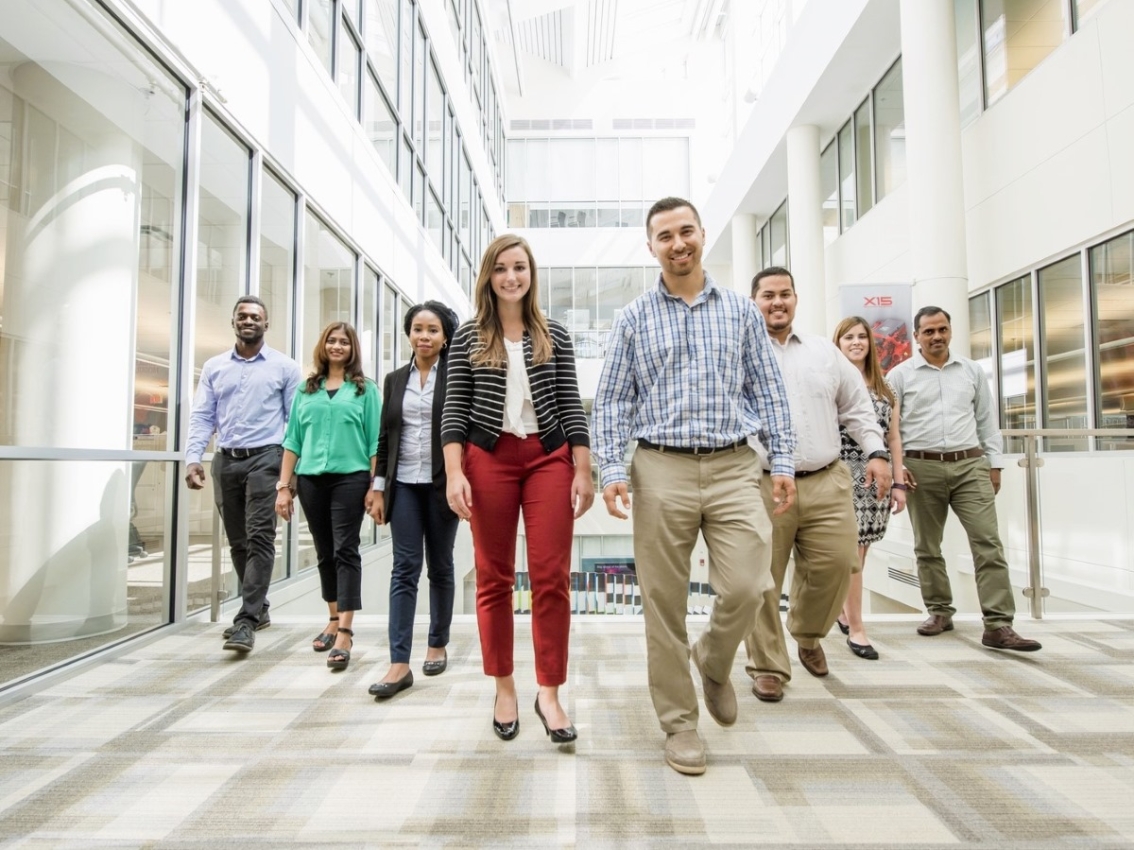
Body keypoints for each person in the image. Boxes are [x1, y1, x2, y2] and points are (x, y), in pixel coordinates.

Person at [592, 197, 797, 776]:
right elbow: (612, 400)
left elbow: (768, 392)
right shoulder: (632, 318)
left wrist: (782, 460)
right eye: (665, 236)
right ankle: (680, 723)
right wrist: (611, 470)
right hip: (660, 469)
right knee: (662, 603)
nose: (678, 243)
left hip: (735, 465)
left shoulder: (741, 312)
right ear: (651, 246)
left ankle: (712, 656)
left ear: (703, 235)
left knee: (751, 584)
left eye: (686, 231)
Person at [441, 234, 594, 745]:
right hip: (488, 459)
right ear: (489, 276)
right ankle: (504, 686)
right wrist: (455, 473)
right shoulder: (466, 337)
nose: (512, 277)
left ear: (531, 275)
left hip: (548, 457)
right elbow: (453, 412)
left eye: (520, 268)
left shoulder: (555, 335)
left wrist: (582, 467)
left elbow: (572, 405)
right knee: (494, 577)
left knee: (552, 576)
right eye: (502, 268)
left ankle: (548, 692)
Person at [745, 268, 891, 702]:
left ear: (796, 299)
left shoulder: (825, 352)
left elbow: (859, 408)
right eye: (768, 295)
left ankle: (807, 634)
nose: (777, 302)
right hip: (763, 482)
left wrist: (877, 453)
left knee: (838, 563)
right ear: (754, 301)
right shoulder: (739, 352)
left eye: (785, 294)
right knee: (761, 579)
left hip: (826, 478)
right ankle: (768, 664)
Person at [887, 306, 1041, 652]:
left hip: (970, 465)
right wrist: (899, 466)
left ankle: (999, 625)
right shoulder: (900, 375)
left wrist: (994, 465)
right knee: (927, 546)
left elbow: (986, 419)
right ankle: (940, 611)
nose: (937, 336)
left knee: (988, 542)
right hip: (921, 467)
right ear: (917, 336)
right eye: (929, 331)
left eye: (942, 329)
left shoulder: (971, 370)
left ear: (950, 331)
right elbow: (890, 427)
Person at [185, 295, 301, 654]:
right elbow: (203, 415)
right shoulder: (214, 367)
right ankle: (260, 608)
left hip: (267, 458)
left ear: (266, 325)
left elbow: (294, 424)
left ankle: (246, 620)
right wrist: (193, 457)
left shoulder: (285, 367)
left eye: (255, 317)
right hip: (226, 461)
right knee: (238, 541)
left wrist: (288, 475)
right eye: (242, 316)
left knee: (261, 537)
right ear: (234, 322)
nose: (248, 321)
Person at [367, 301, 461, 700]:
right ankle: (399, 663)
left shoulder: (457, 377)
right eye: (418, 329)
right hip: (403, 483)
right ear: (409, 333)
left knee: (440, 566)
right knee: (404, 568)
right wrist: (377, 486)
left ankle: (437, 643)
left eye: (433, 330)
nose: (424, 336)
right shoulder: (393, 380)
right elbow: (385, 438)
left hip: (441, 484)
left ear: (445, 337)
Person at [276, 322, 380, 670]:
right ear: (323, 346)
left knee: (345, 549)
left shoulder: (366, 391)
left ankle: (346, 631)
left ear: (353, 350)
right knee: (324, 552)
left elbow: (375, 442)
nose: (337, 347)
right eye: (332, 341)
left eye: (344, 342)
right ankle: (333, 618)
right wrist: (283, 486)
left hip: (350, 479)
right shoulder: (307, 390)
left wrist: (374, 485)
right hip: (310, 482)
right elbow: (292, 440)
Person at [832, 316, 910, 660]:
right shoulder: (831, 382)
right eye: (848, 337)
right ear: (838, 343)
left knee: (861, 552)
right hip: (840, 473)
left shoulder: (885, 389)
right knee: (850, 553)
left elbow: (893, 438)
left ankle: (845, 611)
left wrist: (898, 482)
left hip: (876, 477)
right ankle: (857, 628)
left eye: (861, 336)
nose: (855, 342)